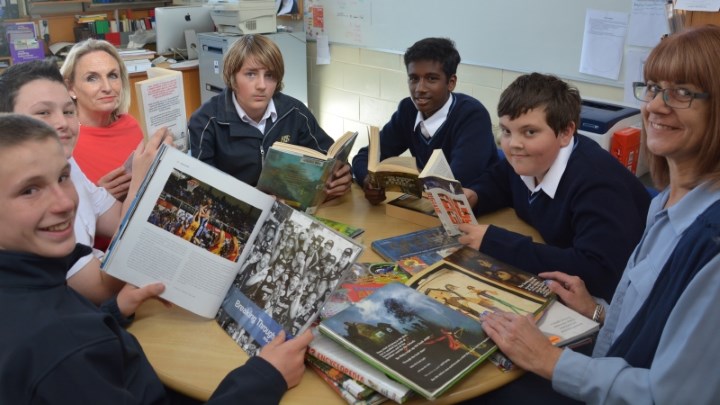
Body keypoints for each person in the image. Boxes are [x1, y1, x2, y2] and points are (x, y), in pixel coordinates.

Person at [473, 25, 720, 404]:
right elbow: (645, 317)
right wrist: (598, 312)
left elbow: (667, 397)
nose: (654, 106)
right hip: (604, 362)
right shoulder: (667, 203)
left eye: (682, 93)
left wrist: (550, 361)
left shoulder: (709, 242)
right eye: (652, 88)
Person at [0, 113, 314, 404]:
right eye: (30, 190)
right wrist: (265, 377)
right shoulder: (62, 350)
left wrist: (115, 310)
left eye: (64, 176)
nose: (65, 202)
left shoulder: (34, 285)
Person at [458, 73, 650, 302]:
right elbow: (501, 180)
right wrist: (476, 195)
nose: (514, 145)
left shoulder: (597, 183)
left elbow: (599, 272)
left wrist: (496, 243)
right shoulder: (531, 160)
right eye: (507, 131)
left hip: (623, 299)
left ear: (565, 133)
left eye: (530, 132)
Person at [0, 60, 167, 304]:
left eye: (68, 111)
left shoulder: (67, 162)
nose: (62, 123)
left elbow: (115, 218)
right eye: (43, 113)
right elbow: (98, 289)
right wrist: (142, 178)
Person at [188, 34, 351, 201]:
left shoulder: (295, 112)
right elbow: (203, 187)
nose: (261, 86)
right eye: (251, 74)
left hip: (292, 207)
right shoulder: (205, 121)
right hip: (237, 214)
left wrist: (343, 175)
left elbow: (329, 156)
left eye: (270, 76)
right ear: (233, 78)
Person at [351, 37, 498, 204]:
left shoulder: (472, 115)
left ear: (451, 83)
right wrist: (368, 181)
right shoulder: (408, 110)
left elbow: (456, 183)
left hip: (480, 210)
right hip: (430, 208)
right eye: (413, 78)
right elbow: (364, 157)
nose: (419, 89)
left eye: (431, 79)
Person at [59, 39, 148, 201]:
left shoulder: (130, 124)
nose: (107, 87)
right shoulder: (63, 139)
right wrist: (95, 200)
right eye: (92, 78)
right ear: (70, 87)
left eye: (113, 75)